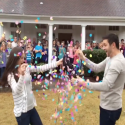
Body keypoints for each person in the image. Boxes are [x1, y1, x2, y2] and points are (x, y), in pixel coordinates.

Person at [0, 47, 63, 125]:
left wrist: (56, 63)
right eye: (22, 58)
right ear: (16, 58)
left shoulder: (27, 68)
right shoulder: (10, 74)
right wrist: (22, 75)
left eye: (24, 57)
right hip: (22, 112)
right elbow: (16, 90)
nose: (23, 60)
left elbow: (40, 68)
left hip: (31, 108)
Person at [72, 34, 125, 125]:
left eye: (105, 45)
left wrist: (84, 83)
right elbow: (96, 68)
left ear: (113, 45)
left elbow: (106, 85)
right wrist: (83, 58)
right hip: (107, 105)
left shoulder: (117, 62)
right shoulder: (110, 58)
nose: (103, 48)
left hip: (110, 108)